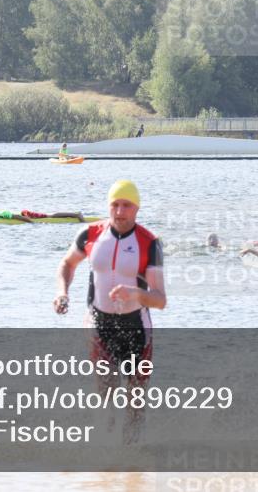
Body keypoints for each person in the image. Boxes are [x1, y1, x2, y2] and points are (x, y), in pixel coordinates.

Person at [53, 179, 166, 443]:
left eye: (126, 205)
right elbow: (67, 264)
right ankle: (105, 459)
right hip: (98, 323)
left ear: (136, 208)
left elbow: (160, 300)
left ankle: (131, 461)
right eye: (115, 205)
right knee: (106, 390)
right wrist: (62, 292)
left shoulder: (149, 243)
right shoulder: (90, 235)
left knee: (135, 400)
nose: (119, 211)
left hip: (137, 327)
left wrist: (136, 294)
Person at [0, 202, 86, 222]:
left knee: (50, 216)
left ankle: (76, 214)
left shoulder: (0, 213)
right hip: (25, 215)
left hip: (26, 215)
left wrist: (31, 222)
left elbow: (16, 216)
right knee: (49, 215)